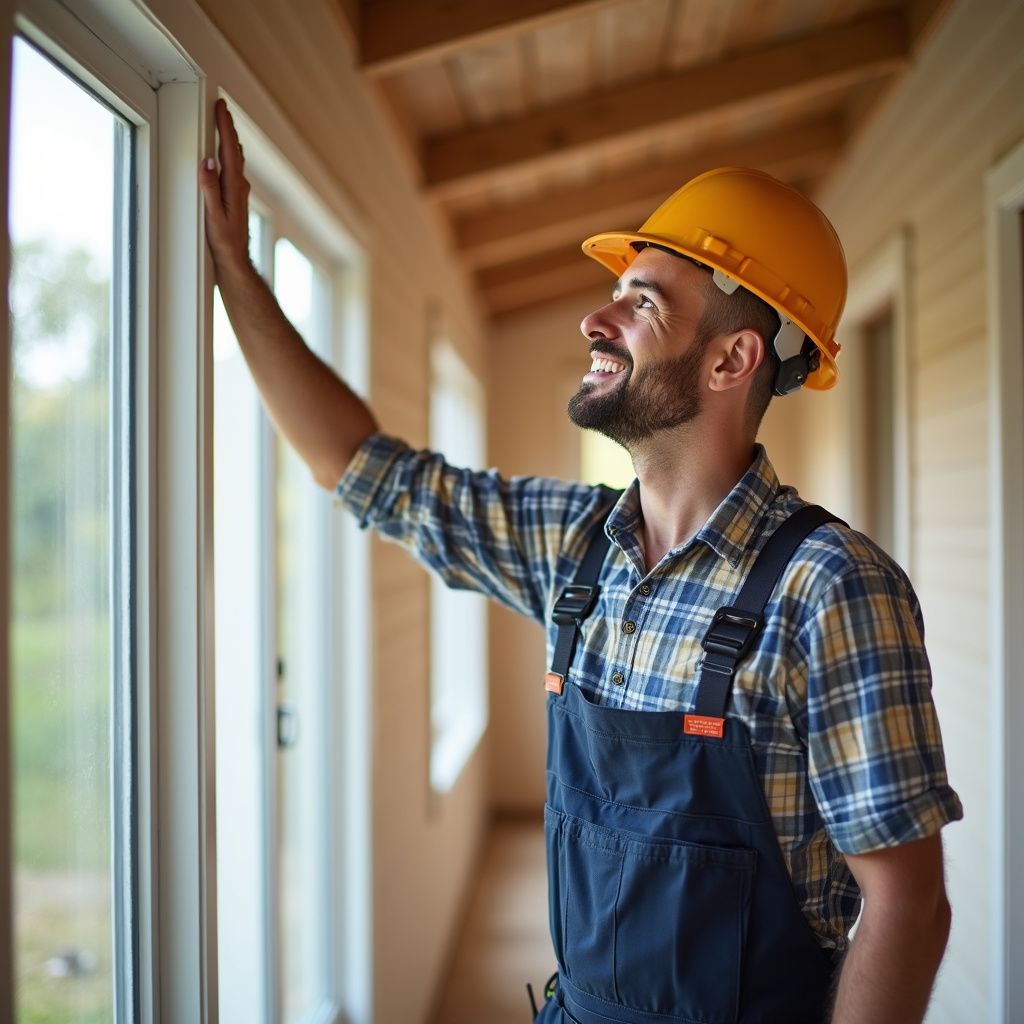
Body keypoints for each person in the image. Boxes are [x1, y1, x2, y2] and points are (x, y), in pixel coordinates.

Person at [199, 98, 962, 1023]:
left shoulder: (831, 587)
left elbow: (908, 905)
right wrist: (236, 274)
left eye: (643, 303)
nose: (596, 320)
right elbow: (365, 470)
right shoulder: (577, 551)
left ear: (732, 361)